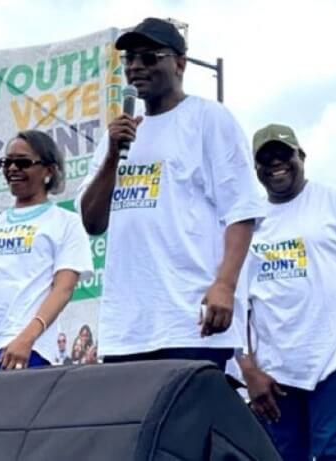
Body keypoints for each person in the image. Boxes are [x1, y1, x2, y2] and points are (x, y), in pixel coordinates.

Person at [77, 18, 265, 368]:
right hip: (128, 328)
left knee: (187, 424)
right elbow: (92, 222)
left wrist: (225, 285)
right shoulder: (116, 135)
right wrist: (111, 157)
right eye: (129, 58)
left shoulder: (209, 119)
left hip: (189, 321)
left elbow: (242, 211)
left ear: (180, 63)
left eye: (149, 57)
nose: (135, 67)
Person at [237, 124, 336, 460]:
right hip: (275, 372)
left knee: (333, 451)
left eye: (284, 155)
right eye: (265, 159)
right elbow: (239, 306)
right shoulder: (247, 222)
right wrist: (249, 369)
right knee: (278, 455)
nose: (275, 164)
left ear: (302, 157)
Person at [0, 130, 93, 372]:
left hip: (20, 343)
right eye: (6, 162)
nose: (12, 168)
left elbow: (63, 289)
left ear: (49, 171)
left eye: (22, 162)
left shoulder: (66, 222)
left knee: (6, 410)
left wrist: (28, 337)